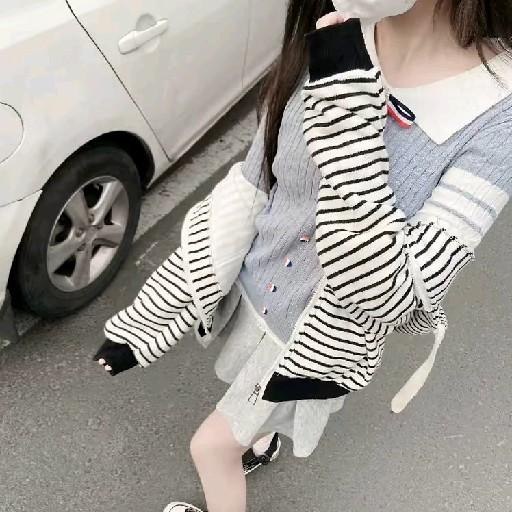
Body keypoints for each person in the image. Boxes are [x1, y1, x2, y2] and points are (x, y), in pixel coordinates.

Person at [94, 1, 512, 511]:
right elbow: (251, 188)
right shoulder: (336, 30)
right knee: (245, 398)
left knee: (211, 448)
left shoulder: (496, 116)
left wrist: (347, 117)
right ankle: (262, 438)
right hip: (253, 295)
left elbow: (390, 294)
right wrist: (153, 315)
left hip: (316, 344)